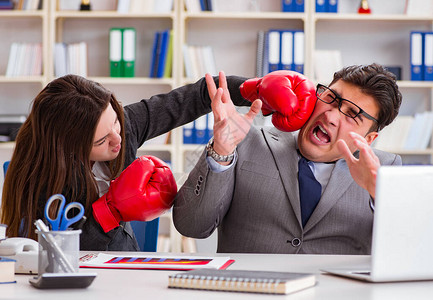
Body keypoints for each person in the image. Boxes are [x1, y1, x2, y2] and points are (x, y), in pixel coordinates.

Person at [0, 74, 251, 251]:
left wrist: (253, 89)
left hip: (127, 269)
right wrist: (109, 212)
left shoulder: (124, 125)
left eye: (115, 123)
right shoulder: (41, 177)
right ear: (69, 149)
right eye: (101, 141)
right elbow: (52, 254)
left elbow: (194, 96)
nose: (117, 139)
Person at [173, 63, 403, 254]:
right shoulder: (247, 141)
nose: (331, 116)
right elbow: (191, 225)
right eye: (331, 98)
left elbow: (403, 254)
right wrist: (221, 151)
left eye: (353, 115)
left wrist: (379, 194)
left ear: (369, 137)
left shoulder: (385, 171)